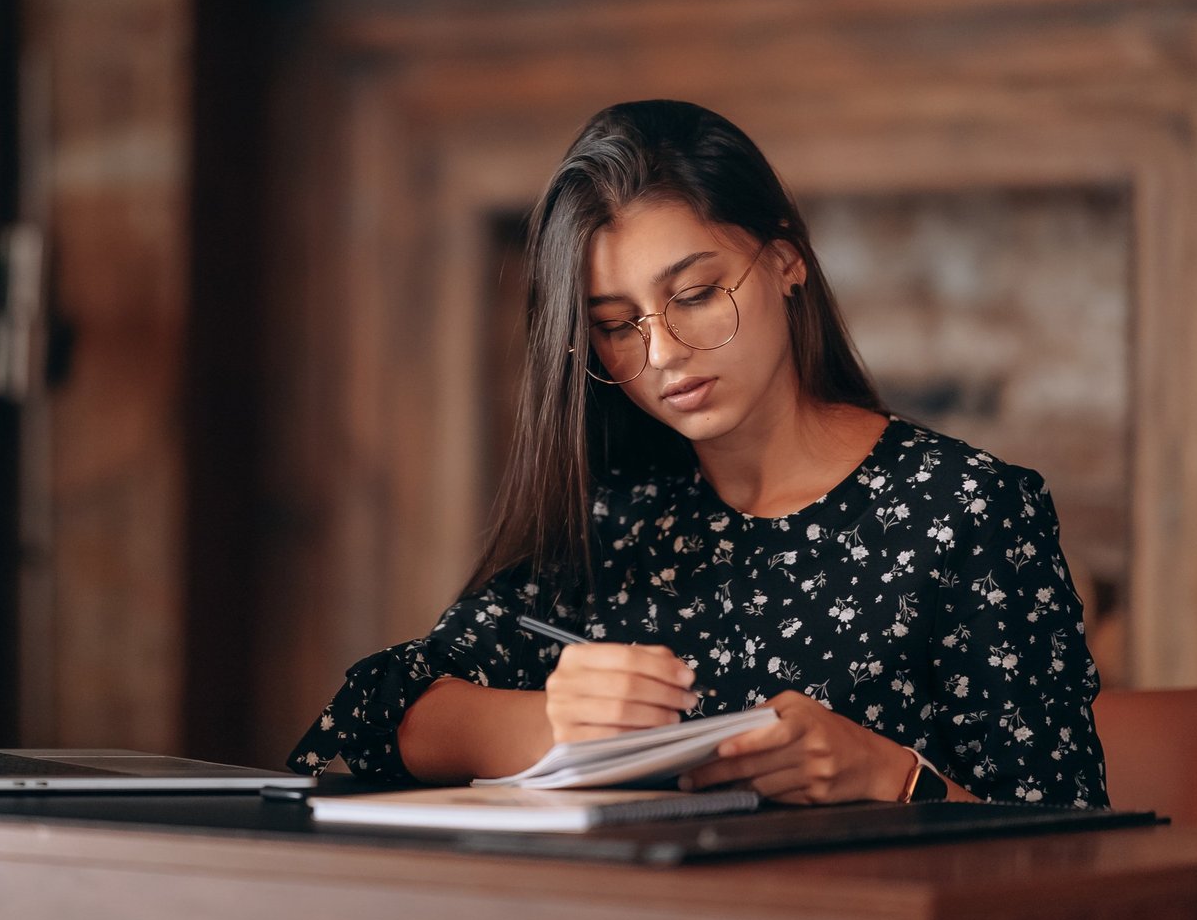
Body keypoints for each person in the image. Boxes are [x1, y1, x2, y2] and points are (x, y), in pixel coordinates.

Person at [288, 100, 1109, 808]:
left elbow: (1079, 852)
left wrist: (895, 777)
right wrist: (536, 723)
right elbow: (360, 721)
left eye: (695, 295)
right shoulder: (615, 519)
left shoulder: (966, 512)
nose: (666, 353)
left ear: (785, 258)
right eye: (616, 325)